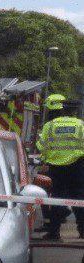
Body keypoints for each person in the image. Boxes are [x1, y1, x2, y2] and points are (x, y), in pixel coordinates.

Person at [37, 94, 84, 241]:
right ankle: (83, 231)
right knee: (79, 200)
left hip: (56, 169)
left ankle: (54, 233)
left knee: (57, 200)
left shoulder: (49, 127)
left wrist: (45, 160)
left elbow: (41, 147)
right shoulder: (80, 124)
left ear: (52, 110)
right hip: (77, 167)